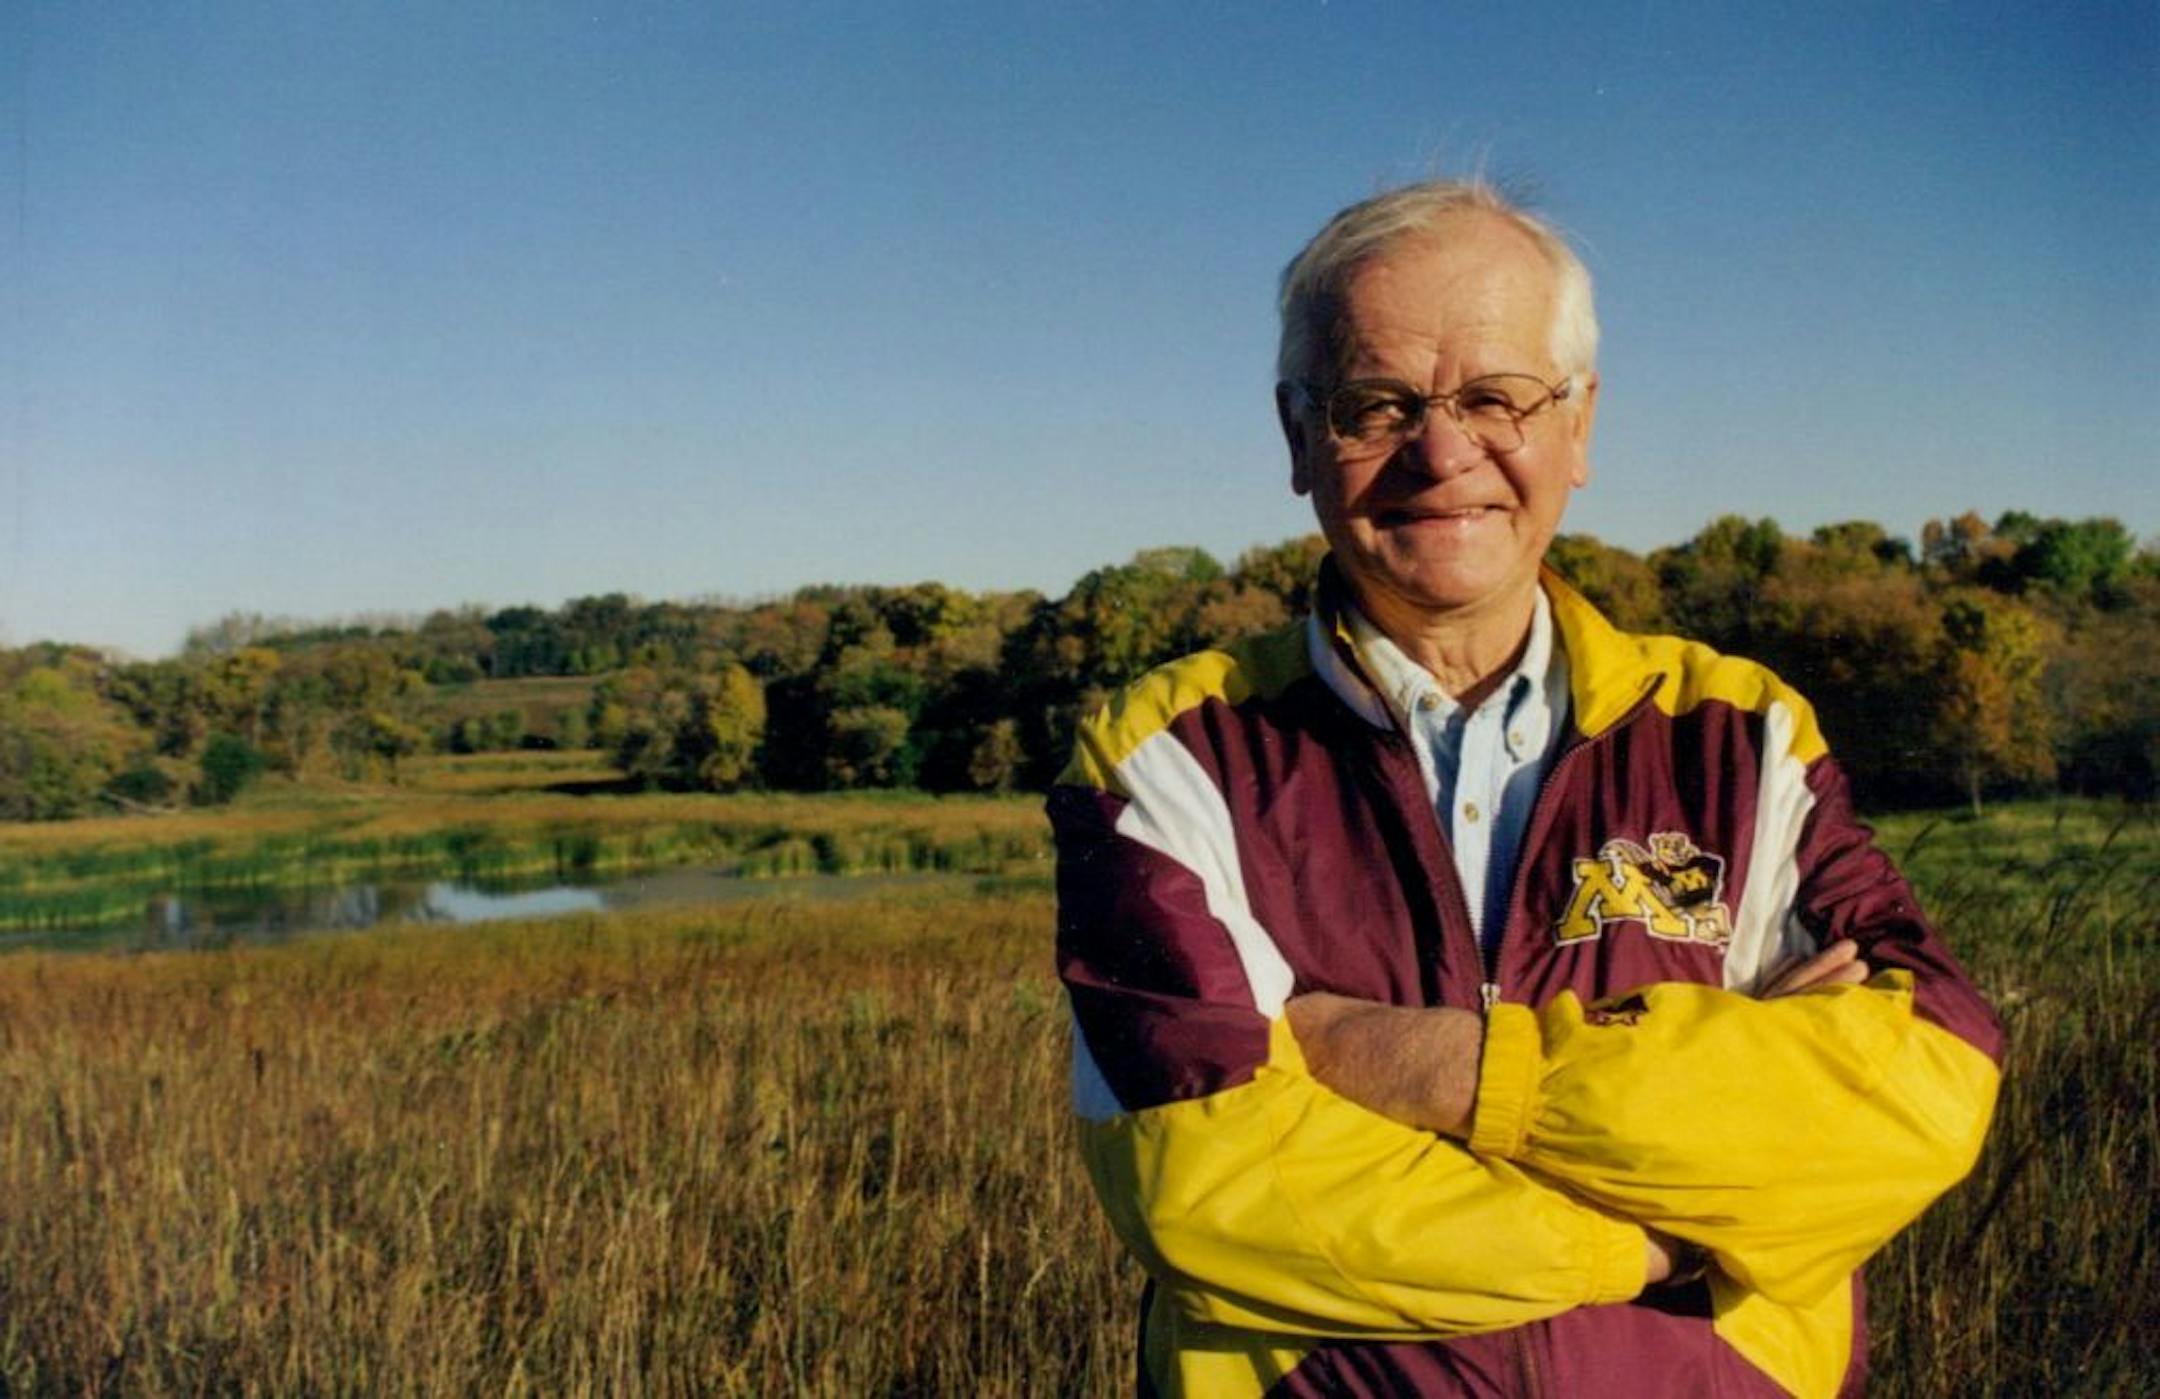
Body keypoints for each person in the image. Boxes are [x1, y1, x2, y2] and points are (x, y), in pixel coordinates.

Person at [1049, 181, 2002, 1398]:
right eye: (1376, 403)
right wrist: (1646, 1237)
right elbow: (1198, 1177)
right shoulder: (1170, 755)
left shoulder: (1740, 734)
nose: (1444, 453)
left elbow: (1923, 1087)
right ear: (1298, 437)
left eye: (1498, 397)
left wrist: (1435, 1070)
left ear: (1579, 426)